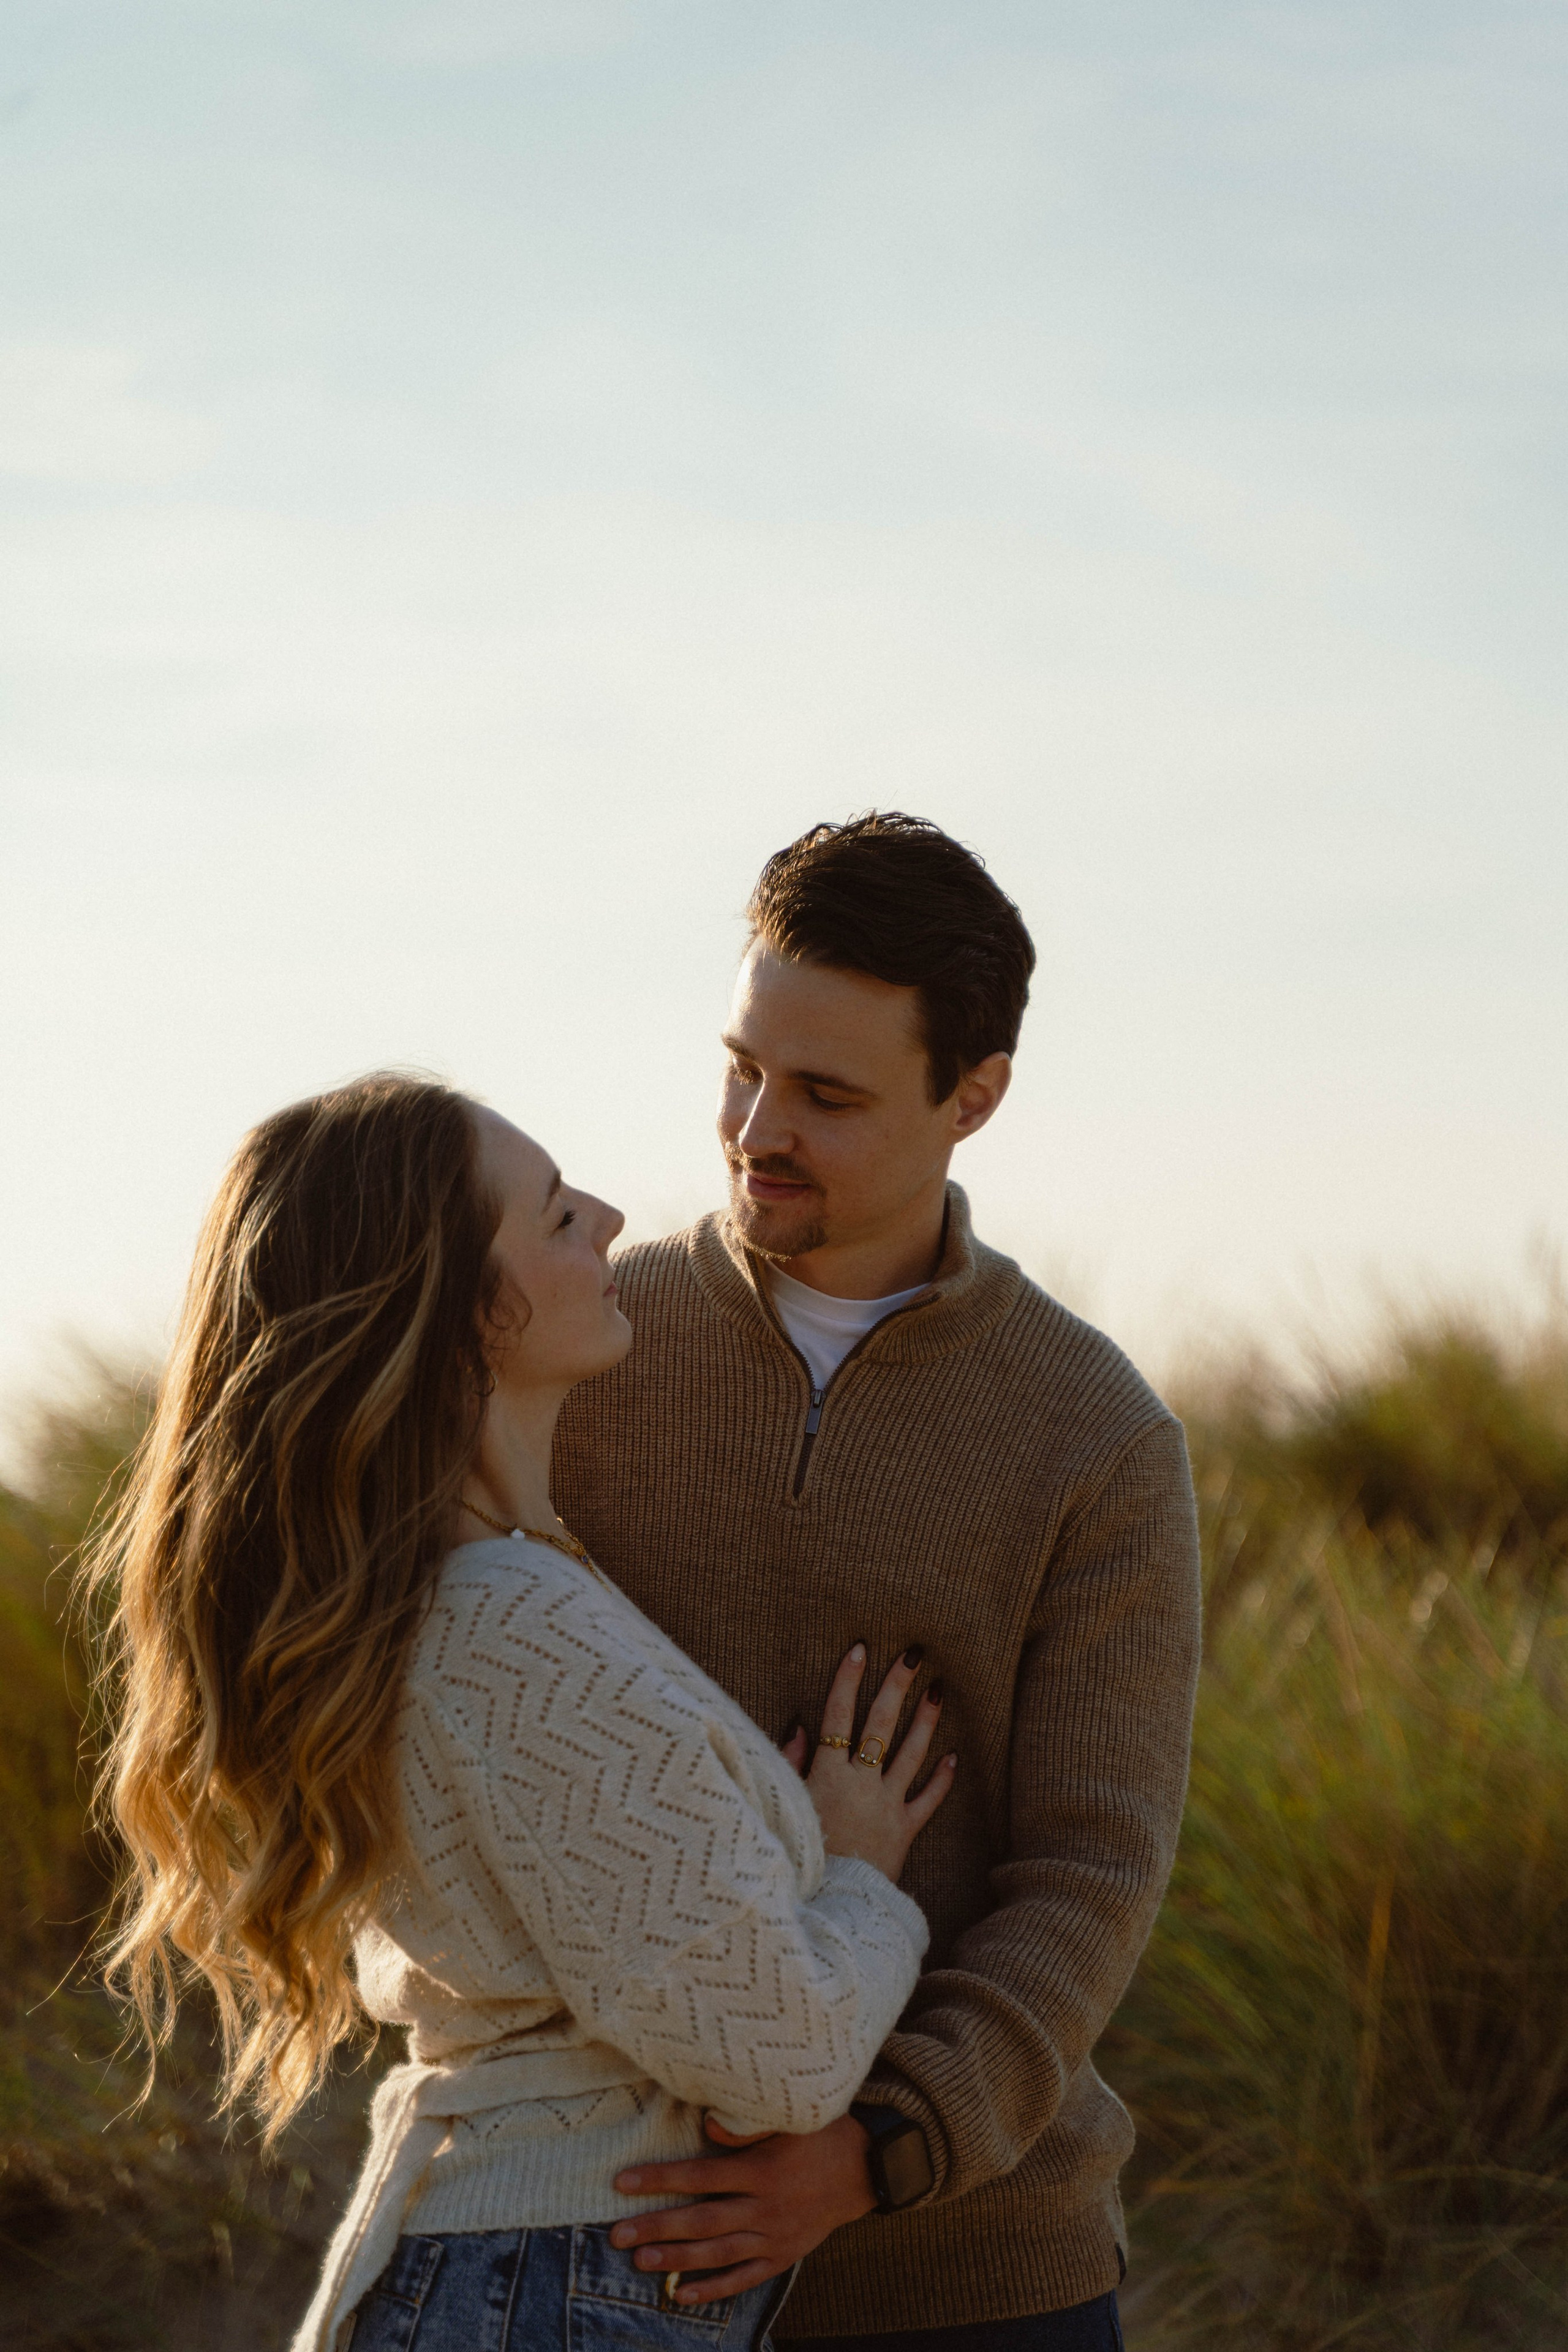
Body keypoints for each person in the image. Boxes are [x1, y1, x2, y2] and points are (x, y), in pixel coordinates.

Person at [87, 1072, 959, 2352]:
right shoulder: (509, 1626)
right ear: (461, 1316)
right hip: (555, 2287)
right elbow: (779, 2059)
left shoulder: (480, 1594)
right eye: (553, 1217)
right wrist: (859, 1872)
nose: (608, 1219)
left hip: (529, 2275)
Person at [552, 813, 1204, 2352]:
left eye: (825, 1094)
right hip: (611, 2245)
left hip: (973, 2280)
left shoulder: (1095, 1437)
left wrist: (872, 2154)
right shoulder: (575, 1356)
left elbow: (1088, 1879)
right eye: (741, 1063)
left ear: (972, 1097)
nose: (752, 1125)